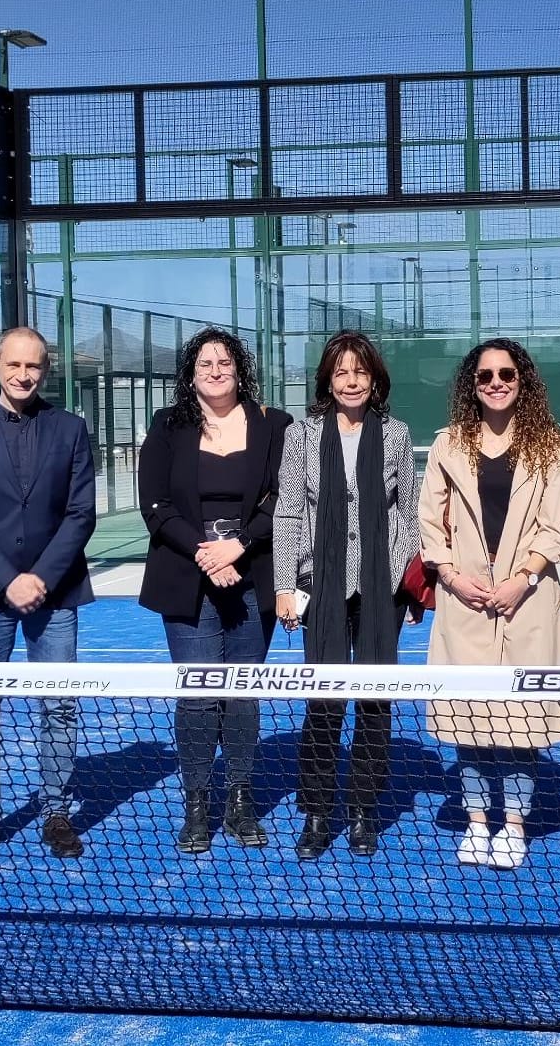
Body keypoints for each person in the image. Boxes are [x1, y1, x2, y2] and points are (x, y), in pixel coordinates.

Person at [0, 326, 96, 861]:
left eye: (33, 366)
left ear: (45, 370)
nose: (23, 375)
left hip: (56, 594)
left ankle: (56, 813)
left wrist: (41, 578)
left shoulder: (71, 429)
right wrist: (8, 579)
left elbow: (80, 514)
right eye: (14, 364)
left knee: (59, 706)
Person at [139, 327, 291, 854]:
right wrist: (207, 554)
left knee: (242, 694)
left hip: (253, 577)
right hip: (188, 579)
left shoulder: (275, 425)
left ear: (240, 370)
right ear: (190, 374)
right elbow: (156, 505)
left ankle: (240, 801)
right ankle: (197, 805)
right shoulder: (166, 426)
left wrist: (239, 547)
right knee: (200, 695)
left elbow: (285, 499)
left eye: (225, 362)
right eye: (204, 363)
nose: (215, 370)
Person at [421, 338, 560, 870]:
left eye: (507, 374)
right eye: (485, 376)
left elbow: (555, 527)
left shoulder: (548, 445)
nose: (497, 383)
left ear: (522, 380)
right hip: (464, 599)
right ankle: (477, 822)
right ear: (473, 384)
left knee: (520, 720)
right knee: (469, 718)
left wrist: (522, 579)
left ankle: (513, 825)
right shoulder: (448, 445)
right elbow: (430, 521)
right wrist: (450, 576)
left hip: (527, 600)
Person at [273, 331, 420, 860]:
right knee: (324, 701)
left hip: (382, 587)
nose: (351, 381)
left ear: (374, 380)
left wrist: (403, 581)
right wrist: (285, 584)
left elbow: (409, 512)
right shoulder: (301, 435)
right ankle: (317, 811)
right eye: (341, 372)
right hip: (322, 586)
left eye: (360, 371)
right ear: (327, 381)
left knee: (375, 701)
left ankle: (363, 810)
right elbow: (289, 512)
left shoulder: (397, 434)